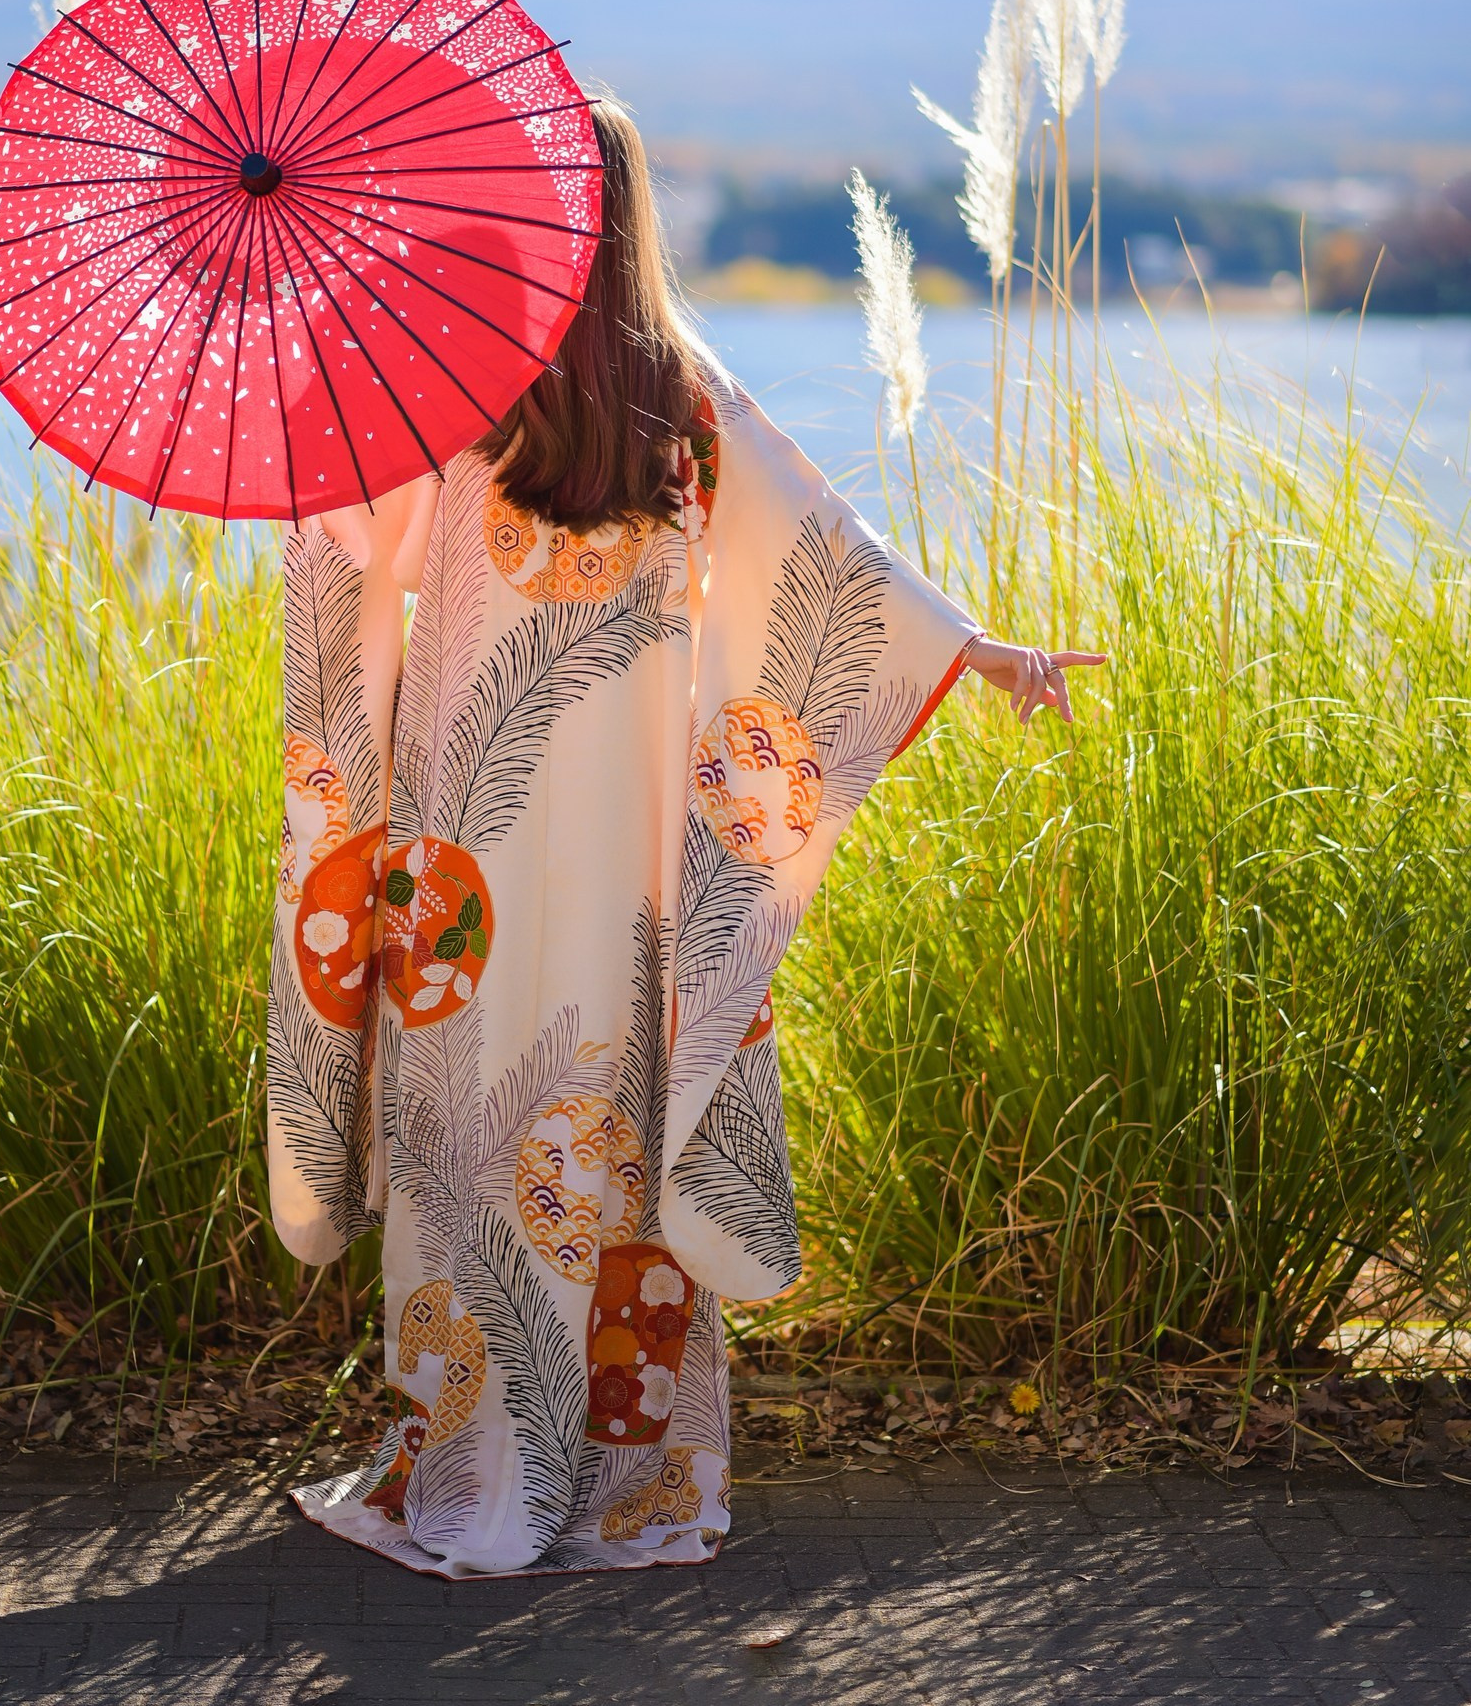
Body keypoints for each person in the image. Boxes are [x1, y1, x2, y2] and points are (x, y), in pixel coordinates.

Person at [267, 97, 1101, 1578]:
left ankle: (473, 1462)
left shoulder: (445, 373)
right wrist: (976, 651)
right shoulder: (683, 391)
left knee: (475, 1123)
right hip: (644, 849)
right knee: (622, 1121)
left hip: (467, 852)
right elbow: (837, 567)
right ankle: (634, 1476)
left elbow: (343, 550)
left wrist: (331, 370)